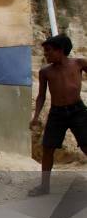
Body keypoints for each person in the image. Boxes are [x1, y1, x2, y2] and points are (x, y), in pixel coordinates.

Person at [29, 34, 87, 196]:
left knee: (85, 145)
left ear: (60, 50)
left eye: (48, 51)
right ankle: (44, 187)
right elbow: (41, 95)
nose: (45, 55)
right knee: (48, 148)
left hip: (78, 111)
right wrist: (35, 116)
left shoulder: (78, 64)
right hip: (57, 113)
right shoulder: (45, 72)